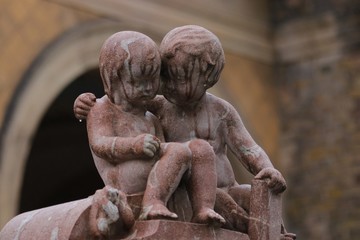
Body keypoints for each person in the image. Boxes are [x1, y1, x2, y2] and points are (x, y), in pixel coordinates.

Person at [75, 26, 295, 239]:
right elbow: (120, 103)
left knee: (254, 195)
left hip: (228, 186)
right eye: (165, 76)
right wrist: (84, 102)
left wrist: (268, 169)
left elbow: (249, 148)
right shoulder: (158, 105)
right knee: (221, 202)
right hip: (190, 190)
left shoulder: (221, 111)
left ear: (207, 78)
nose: (165, 85)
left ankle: (277, 234)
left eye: (178, 78)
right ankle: (230, 221)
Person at [86, 30, 224, 226]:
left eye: (153, 80)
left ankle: (203, 208)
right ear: (113, 78)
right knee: (178, 151)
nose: (148, 88)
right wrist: (135, 145)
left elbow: (164, 150)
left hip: (151, 170)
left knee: (200, 148)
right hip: (124, 175)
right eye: (138, 82)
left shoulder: (150, 117)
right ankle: (152, 203)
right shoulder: (102, 108)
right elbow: (99, 144)